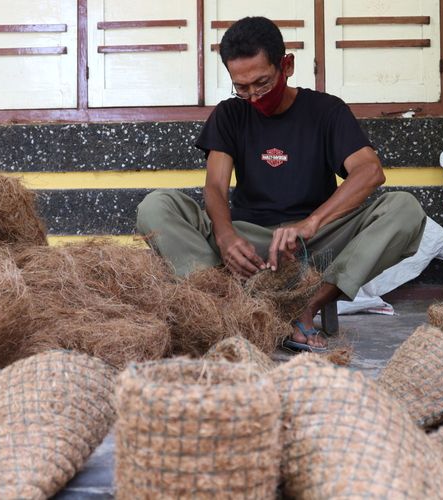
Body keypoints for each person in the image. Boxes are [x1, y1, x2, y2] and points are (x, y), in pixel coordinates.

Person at [136, 16, 426, 353]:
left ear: (286, 65)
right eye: (241, 87)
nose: (254, 96)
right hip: (249, 242)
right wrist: (226, 234)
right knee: (156, 206)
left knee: (405, 209)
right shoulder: (230, 114)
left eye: (262, 82)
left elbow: (369, 171)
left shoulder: (326, 110)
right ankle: (225, 304)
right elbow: (215, 186)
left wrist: (310, 224)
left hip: (313, 244)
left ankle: (305, 307)